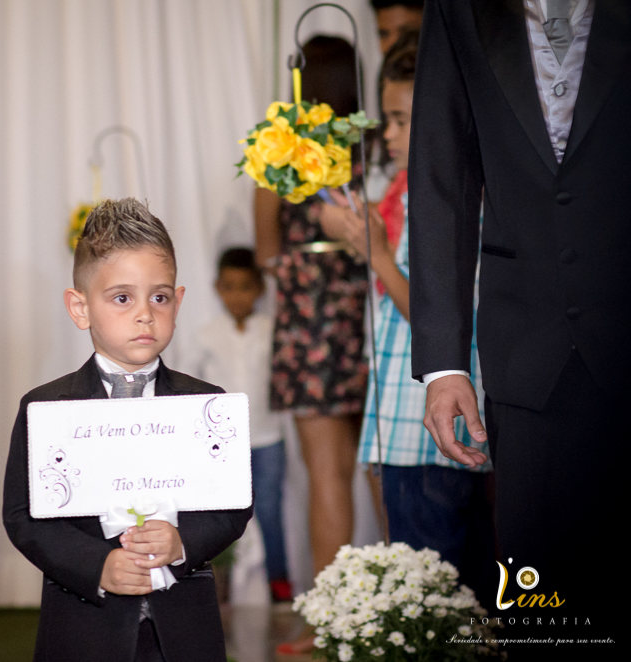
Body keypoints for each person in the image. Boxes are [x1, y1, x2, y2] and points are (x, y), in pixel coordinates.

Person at [410, 0, 630, 652]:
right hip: (526, 352)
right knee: (544, 608)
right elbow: (439, 173)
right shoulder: (456, 9)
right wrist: (445, 363)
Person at [2, 198, 252, 662]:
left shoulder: (206, 404)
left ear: (177, 303)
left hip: (183, 630)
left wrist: (183, 542)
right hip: (84, 628)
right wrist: (97, 565)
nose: (144, 314)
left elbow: (233, 504)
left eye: (158, 297)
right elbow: (23, 517)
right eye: (122, 298)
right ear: (80, 308)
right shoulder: (46, 407)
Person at [331, 34, 496, 611]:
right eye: (389, 120)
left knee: (441, 593)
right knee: (432, 585)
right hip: (403, 420)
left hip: (430, 429)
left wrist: (375, 253)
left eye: (404, 120)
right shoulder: (408, 196)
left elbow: (445, 319)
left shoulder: (461, 203)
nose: (392, 136)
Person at [254, 35, 372, 657]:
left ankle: (329, 621)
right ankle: (400, 608)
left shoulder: (281, 150)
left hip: (307, 322)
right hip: (373, 312)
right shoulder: (374, 144)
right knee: (383, 467)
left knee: (326, 473)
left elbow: (267, 252)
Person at [182, 247, 289, 603]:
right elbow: (187, 385)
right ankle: (220, 584)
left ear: (259, 288)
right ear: (217, 288)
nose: (237, 295)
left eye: (245, 286)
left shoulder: (273, 330)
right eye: (229, 286)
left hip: (267, 436)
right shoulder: (206, 335)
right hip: (222, 444)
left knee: (270, 510)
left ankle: (279, 582)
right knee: (220, 514)